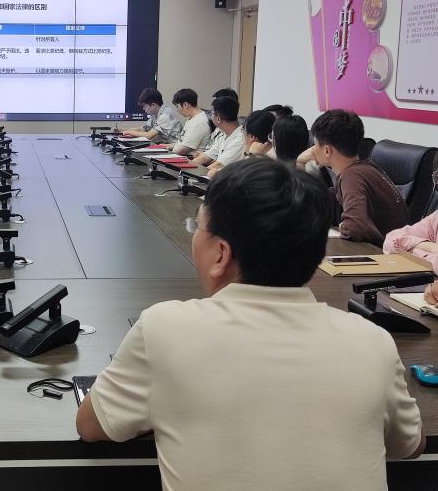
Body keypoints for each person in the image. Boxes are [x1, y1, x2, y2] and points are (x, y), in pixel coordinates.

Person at [76, 157, 423, 490]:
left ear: (221, 254)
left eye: (197, 226)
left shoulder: (163, 330)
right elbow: (411, 445)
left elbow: (91, 425)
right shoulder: (373, 341)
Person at [305, 109, 407, 246]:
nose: (312, 150)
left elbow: (355, 227)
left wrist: (343, 226)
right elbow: (330, 200)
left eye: (315, 144)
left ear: (327, 150)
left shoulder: (351, 177)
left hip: (382, 253)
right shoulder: (365, 168)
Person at [191, 96, 243, 178]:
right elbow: (205, 157)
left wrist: (196, 176)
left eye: (211, 113)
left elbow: (218, 165)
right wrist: (186, 169)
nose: (210, 116)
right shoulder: (223, 133)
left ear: (218, 119)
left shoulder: (240, 138)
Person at [160, 88, 211, 155]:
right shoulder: (192, 118)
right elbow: (182, 142)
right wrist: (167, 146)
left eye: (177, 106)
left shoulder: (199, 122)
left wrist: (166, 154)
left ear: (185, 105)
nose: (177, 110)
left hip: (189, 157)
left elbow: (184, 149)